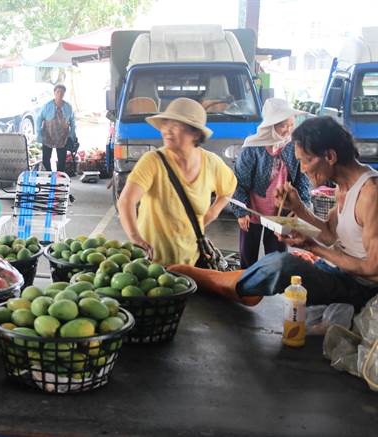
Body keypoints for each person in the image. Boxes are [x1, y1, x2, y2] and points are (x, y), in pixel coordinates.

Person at [171, 116, 378, 310]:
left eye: (306, 161)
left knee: (283, 265)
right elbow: (331, 234)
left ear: (330, 156)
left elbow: (373, 267)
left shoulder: (371, 194)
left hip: (361, 288)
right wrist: (298, 209)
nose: (303, 169)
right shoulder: (342, 187)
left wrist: (313, 248)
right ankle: (225, 282)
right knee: (278, 261)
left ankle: (216, 282)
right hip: (337, 270)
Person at [117, 97, 237, 265]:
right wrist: (135, 237)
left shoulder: (212, 163)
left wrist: (212, 213)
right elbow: (126, 201)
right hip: (152, 266)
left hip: (192, 261)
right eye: (165, 124)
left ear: (195, 133)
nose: (167, 131)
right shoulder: (152, 161)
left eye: (176, 126)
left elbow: (228, 189)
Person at [232, 98, 311, 268]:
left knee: (278, 257)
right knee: (248, 256)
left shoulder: (292, 146)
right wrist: (240, 212)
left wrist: (302, 207)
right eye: (283, 125)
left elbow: (301, 179)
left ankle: (276, 284)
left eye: (291, 125)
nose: (288, 130)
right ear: (271, 126)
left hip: (280, 210)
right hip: (252, 210)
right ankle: (245, 288)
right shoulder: (252, 148)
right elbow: (239, 182)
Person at [35, 84, 76, 173]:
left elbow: (72, 121)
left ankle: (59, 177)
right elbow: (39, 118)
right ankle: (49, 175)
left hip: (62, 137)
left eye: (62, 92)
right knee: (46, 159)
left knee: (61, 160)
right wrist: (39, 132)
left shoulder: (68, 107)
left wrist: (72, 134)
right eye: (58, 92)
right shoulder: (47, 106)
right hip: (48, 135)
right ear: (54, 93)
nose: (60, 94)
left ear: (64, 94)